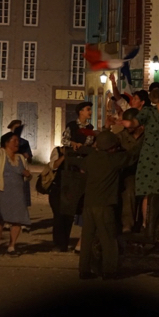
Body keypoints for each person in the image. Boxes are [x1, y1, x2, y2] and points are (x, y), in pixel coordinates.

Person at [67, 131, 141, 280]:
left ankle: (84, 270)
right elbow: (132, 156)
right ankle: (109, 271)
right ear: (112, 147)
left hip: (88, 205)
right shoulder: (113, 159)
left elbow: (80, 163)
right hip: (104, 205)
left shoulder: (91, 159)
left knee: (87, 239)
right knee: (108, 239)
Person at [122, 84, 159, 229]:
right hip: (150, 156)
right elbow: (137, 121)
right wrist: (130, 123)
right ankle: (147, 224)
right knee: (148, 192)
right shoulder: (149, 111)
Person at [61, 101, 96, 254]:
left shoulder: (90, 128)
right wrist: (73, 143)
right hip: (72, 166)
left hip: (85, 165)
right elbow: (64, 140)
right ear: (80, 111)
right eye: (88, 109)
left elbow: (90, 143)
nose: (90, 112)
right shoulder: (72, 126)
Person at [117, 108, 144, 233]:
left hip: (146, 171)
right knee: (129, 190)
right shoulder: (121, 136)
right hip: (129, 171)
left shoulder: (147, 136)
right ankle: (127, 224)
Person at [46, 146, 73, 252]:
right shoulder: (58, 151)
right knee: (58, 216)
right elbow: (53, 166)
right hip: (57, 188)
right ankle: (58, 243)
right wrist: (64, 156)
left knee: (69, 217)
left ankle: (64, 243)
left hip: (71, 188)